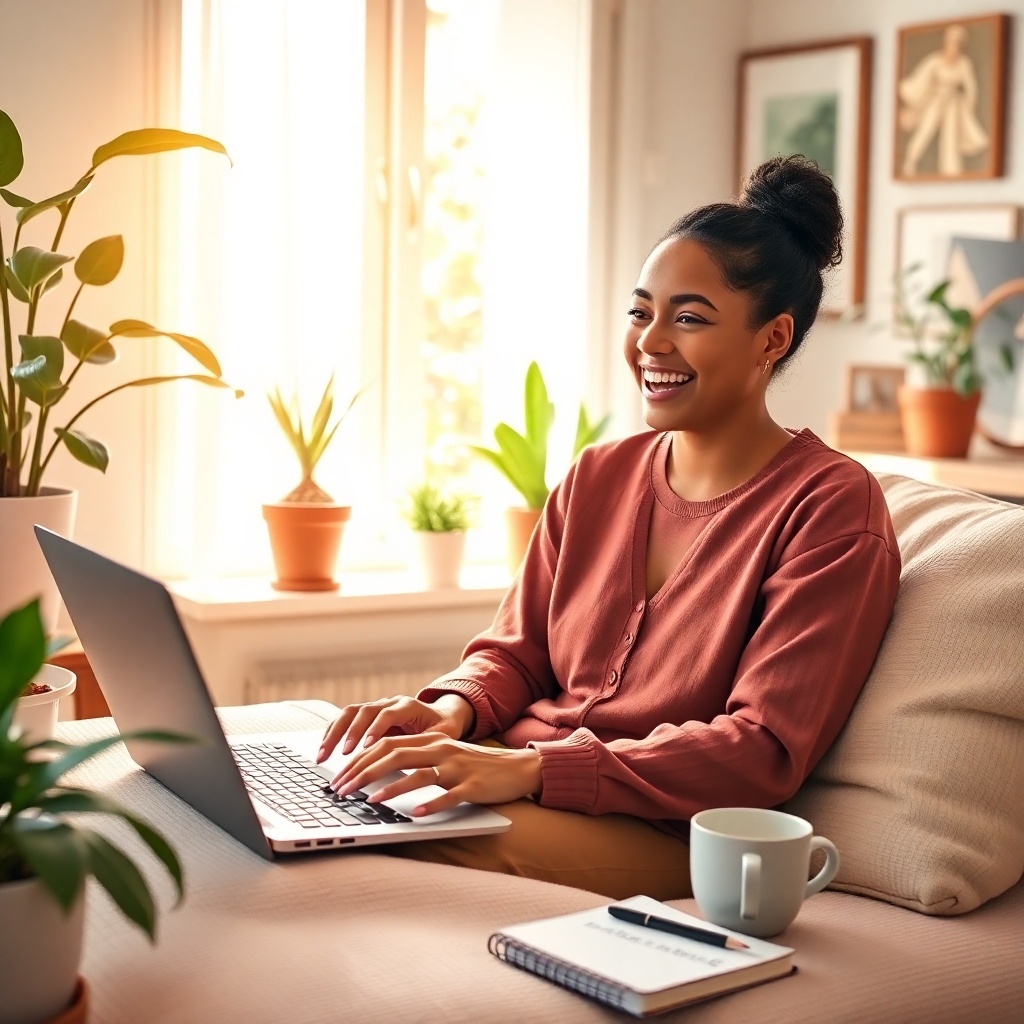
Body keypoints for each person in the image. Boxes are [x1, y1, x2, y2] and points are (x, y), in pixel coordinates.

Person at [317, 155, 901, 900]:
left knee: (379, 849)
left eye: (688, 318)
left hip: (666, 830)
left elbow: (759, 750)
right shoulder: (597, 476)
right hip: (519, 776)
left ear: (772, 339)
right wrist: (446, 712)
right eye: (640, 312)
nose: (651, 342)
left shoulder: (830, 508)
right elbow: (516, 655)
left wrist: (532, 768)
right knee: (332, 801)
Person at [899, 23, 989, 177]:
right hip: (935, 102)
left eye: (957, 44)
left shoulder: (964, 63)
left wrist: (968, 106)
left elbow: (971, 88)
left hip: (953, 104)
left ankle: (951, 173)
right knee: (925, 131)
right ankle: (909, 163)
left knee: (950, 138)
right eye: (951, 43)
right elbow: (921, 81)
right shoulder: (935, 61)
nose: (954, 47)